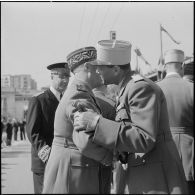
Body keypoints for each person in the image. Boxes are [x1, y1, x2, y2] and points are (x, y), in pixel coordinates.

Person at [73, 40, 188, 194]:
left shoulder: (139, 88)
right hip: (144, 171)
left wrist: (96, 122)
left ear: (115, 69)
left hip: (155, 176)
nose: (97, 71)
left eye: (100, 67)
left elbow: (144, 138)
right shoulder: (127, 88)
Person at [42, 47, 114, 194]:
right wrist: (110, 157)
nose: (100, 72)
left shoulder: (81, 91)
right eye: (97, 68)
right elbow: (85, 141)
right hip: (73, 172)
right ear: (87, 67)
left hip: (72, 168)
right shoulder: (79, 94)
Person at [26, 62, 70, 194]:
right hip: (44, 161)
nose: (65, 80)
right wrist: (48, 154)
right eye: (61, 76)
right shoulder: (38, 100)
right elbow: (33, 132)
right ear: (52, 76)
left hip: (62, 161)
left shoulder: (67, 101)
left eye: (67, 76)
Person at [157, 49, 194, 194]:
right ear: (182, 65)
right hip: (189, 153)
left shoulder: (154, 88)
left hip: (160, 153)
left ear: (165, 66)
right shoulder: (191, 88)